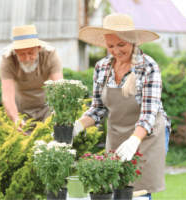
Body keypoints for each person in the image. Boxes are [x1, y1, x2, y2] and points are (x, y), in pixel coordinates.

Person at [72, 13, 171, 199]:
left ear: (132, 41)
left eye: (121, 45)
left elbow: (149, 113)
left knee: (139, 192)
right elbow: (98, 108)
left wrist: (134, 140)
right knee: (115, 191)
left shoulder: (148, 66)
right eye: (110, 46)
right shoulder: (101, 67)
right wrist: (77, 126)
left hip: (147, 134)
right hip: (117, 135)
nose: (116, 51)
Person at [0, 25, 63, 135]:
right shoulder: (7, 60)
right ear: (15, 51)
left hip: (47, 109)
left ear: (38, 48)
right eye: (22, 54)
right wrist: (16, 119)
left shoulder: (51, 55)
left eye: (30, 53)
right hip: (21, 112)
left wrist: (57, 111)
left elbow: (59, 88)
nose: (27, 59)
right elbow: (7, 96)